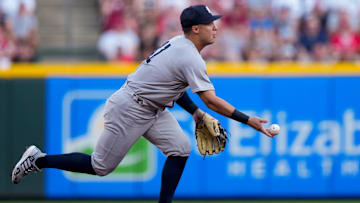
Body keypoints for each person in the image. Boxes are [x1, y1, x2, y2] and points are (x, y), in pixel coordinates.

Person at [11, 5, 274, 203]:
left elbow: (174, 87)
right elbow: (211, 100)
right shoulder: (189, 56)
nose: (215, 27)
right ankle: (39, 160)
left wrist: (194, 113)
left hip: (151, 108)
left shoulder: (179, 43)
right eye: (210, 24)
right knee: (100, 166)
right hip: (130, 108)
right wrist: (247, 120)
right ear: (196, 29)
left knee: (180, 148)